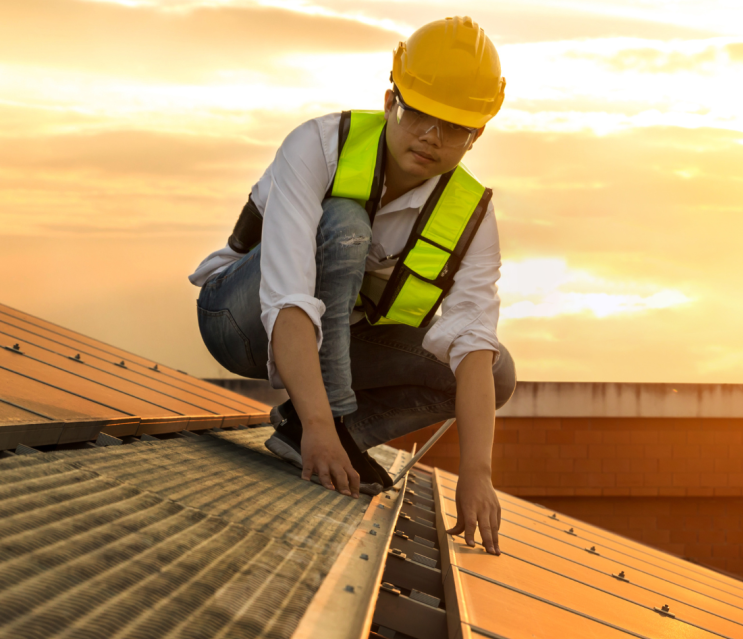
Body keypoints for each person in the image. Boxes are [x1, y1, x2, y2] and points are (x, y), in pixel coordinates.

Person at [190, 16, 515, 555]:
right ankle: (326, 424)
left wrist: (477, 472)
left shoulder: (473, 217)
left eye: (454, 127)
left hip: (331, 346)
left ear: (476, 135)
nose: (431, 137)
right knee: (343, 224)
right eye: (418, 115)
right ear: (391, 100)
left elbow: (473, 345)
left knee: (495, 370)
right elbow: (288, 297)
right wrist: (325, 419)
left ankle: (308, 434)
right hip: (240, 320)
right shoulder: (319, 146)